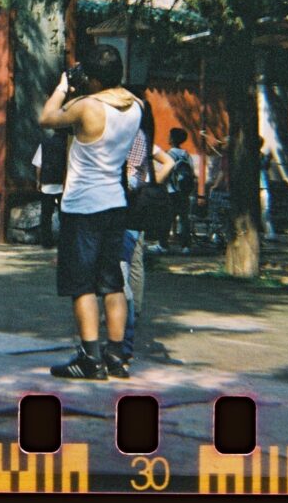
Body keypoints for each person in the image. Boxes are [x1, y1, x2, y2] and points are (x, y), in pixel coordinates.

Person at [40, 45, 142, 381]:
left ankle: (89, 358)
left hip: (83, 206)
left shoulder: (86, 107)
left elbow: (47, 117)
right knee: (112, 283)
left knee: (81, 284)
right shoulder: (135, 106)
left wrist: (62, 86)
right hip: (115, 202)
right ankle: (116, 356)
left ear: (93, 77)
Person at [120, 101, 174, 373]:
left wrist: (140, 185)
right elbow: (169, 162)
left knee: (124, 267)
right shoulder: (146, 138)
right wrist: (152, 183)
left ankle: (125, 321)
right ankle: (134, 311)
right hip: (140, 207)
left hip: (128, 206)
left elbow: (130, 177)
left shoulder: (132, 138)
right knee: (136, 262)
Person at [152, 127, 195, 255]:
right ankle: (186, 246)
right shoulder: (186, 154)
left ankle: (163, 245)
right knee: (184, 219)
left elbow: (164, 171)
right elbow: (192, 172)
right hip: (184, 191)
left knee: (166, 219)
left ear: (172, 139)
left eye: (170, 136)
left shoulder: (169, 154)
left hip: (171, 191)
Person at [32, 128, 68, 248]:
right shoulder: (66, 145)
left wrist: (38, 181)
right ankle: (64, 241)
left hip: (47, 184)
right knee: (63, 216)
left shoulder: (44, 144)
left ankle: (46, 242)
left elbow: (38, 165)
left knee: (46, 215)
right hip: (62, 185)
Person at [258, 137, 277, 241]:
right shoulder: (261, 157)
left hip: (263, 186)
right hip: (259, 186)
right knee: (264, 210)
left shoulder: (262, 157)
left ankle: (269, 232)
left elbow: (265, 166)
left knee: (265, 210)